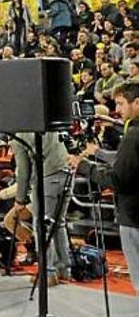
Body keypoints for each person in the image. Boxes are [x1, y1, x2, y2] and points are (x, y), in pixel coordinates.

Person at [70, 81, 139, 293]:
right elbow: (127, 162)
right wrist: (97, 154)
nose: (116, 110)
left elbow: (118, 179)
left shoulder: (134, 135)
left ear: (136, 103)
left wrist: (83, 166)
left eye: (120, 104)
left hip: (134, 216)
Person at [11, 129, 71, 283]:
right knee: (58, 224)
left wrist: (20, 199)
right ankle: (64, 269)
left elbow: (23, 171)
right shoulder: (49, 123)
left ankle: (48, 273)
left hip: (47, 178)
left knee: (41, 226)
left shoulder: (19, 135)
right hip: (67, 174)